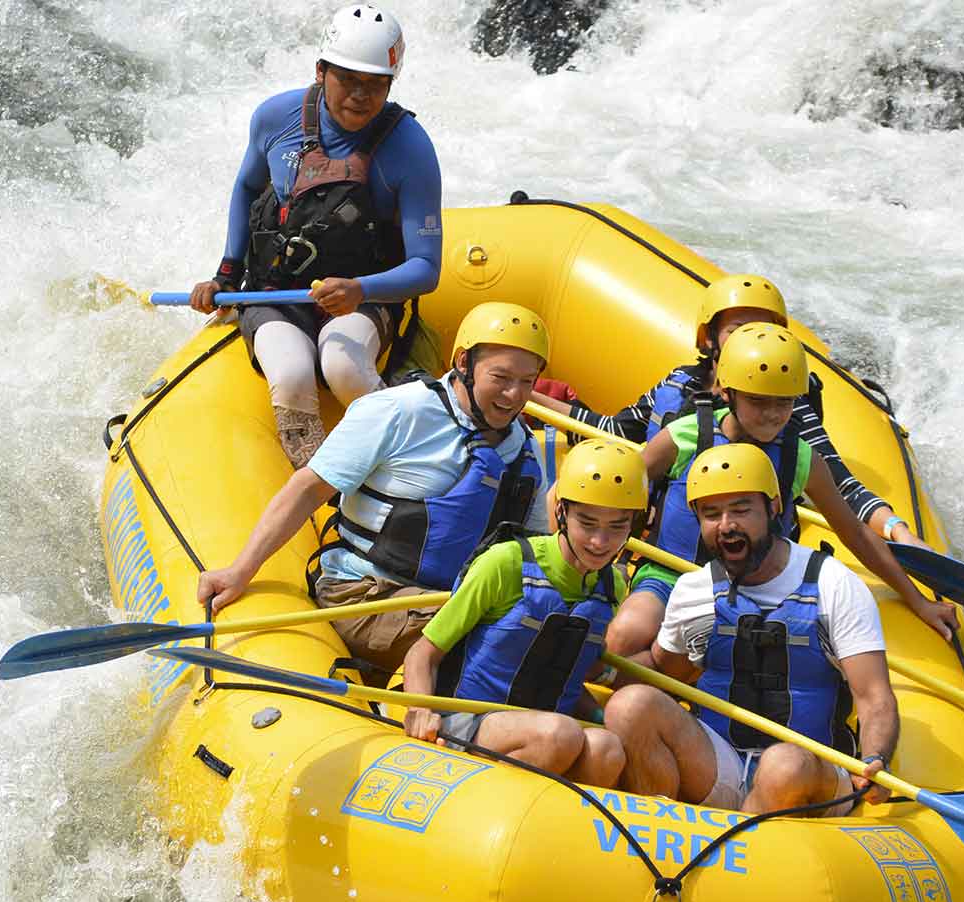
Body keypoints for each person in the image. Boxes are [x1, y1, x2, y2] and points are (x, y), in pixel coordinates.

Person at [196, 301, 554, 674]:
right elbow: (308, 489)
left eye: (526, 382)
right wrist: (240, 571)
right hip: (364, 594)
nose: (514, 395)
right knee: (495, 635)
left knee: (550, 633)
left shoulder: (523, 449)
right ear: (463, 363)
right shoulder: (397, 411)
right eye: (501, 378)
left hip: (452, 601)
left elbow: (534, 554)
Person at [602, 323, 957, 656]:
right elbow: (618, 486)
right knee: (625, 636)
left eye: (784, 402)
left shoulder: (802, 459)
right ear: (727, 392)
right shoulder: (683, 436)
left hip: (756, 590)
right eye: (758, 401)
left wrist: (918, 601)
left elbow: (856, 534)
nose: (773, 414)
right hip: (671, 574)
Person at [188, 4, 442, 468]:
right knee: (290, 373)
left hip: (363, 298)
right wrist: (226, 273)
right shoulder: (274, 117)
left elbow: (426, 268)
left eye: (376, 84)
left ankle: (415, 457)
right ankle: (315, 478)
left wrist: (360, 289)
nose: (361, 97)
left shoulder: (411, 148)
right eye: (348, 80)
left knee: (341, 367)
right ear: (321, 71)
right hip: (276, 292)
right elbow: (247, 188)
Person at [604, 445, 900, 814]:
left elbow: (875, 697)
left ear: (773, 507)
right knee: (631, 707)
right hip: (721, 762)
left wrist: (876, 757)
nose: (727, 525)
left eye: (741, 509)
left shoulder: (832, 584)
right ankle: (661, 834)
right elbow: (667, 672)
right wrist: (599, 664)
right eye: (712, 514)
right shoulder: (694, 590)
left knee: (782, 767)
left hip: (809, 775)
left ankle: (736, 858)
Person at [528, 274, 922, 545]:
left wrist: (895, 528)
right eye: (737, 329)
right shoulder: (679, 382)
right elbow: (616, 431)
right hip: (662, 542)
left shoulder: (787, 404)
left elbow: (840, 483)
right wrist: (530, 396)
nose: (750, 338)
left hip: (744, 551)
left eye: (761, 328)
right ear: (711, 337)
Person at [396, 440, 649, 786]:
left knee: (607, 749)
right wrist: (420, 710)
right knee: (559, 734)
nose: (600, 542)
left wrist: (603, 716)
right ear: (561, 511)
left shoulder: (612, 588)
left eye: (617, 527)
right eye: (587, 524)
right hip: (468, 720)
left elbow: (565, 677)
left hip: (545, 729)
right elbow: (422, 654)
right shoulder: (506, 562)